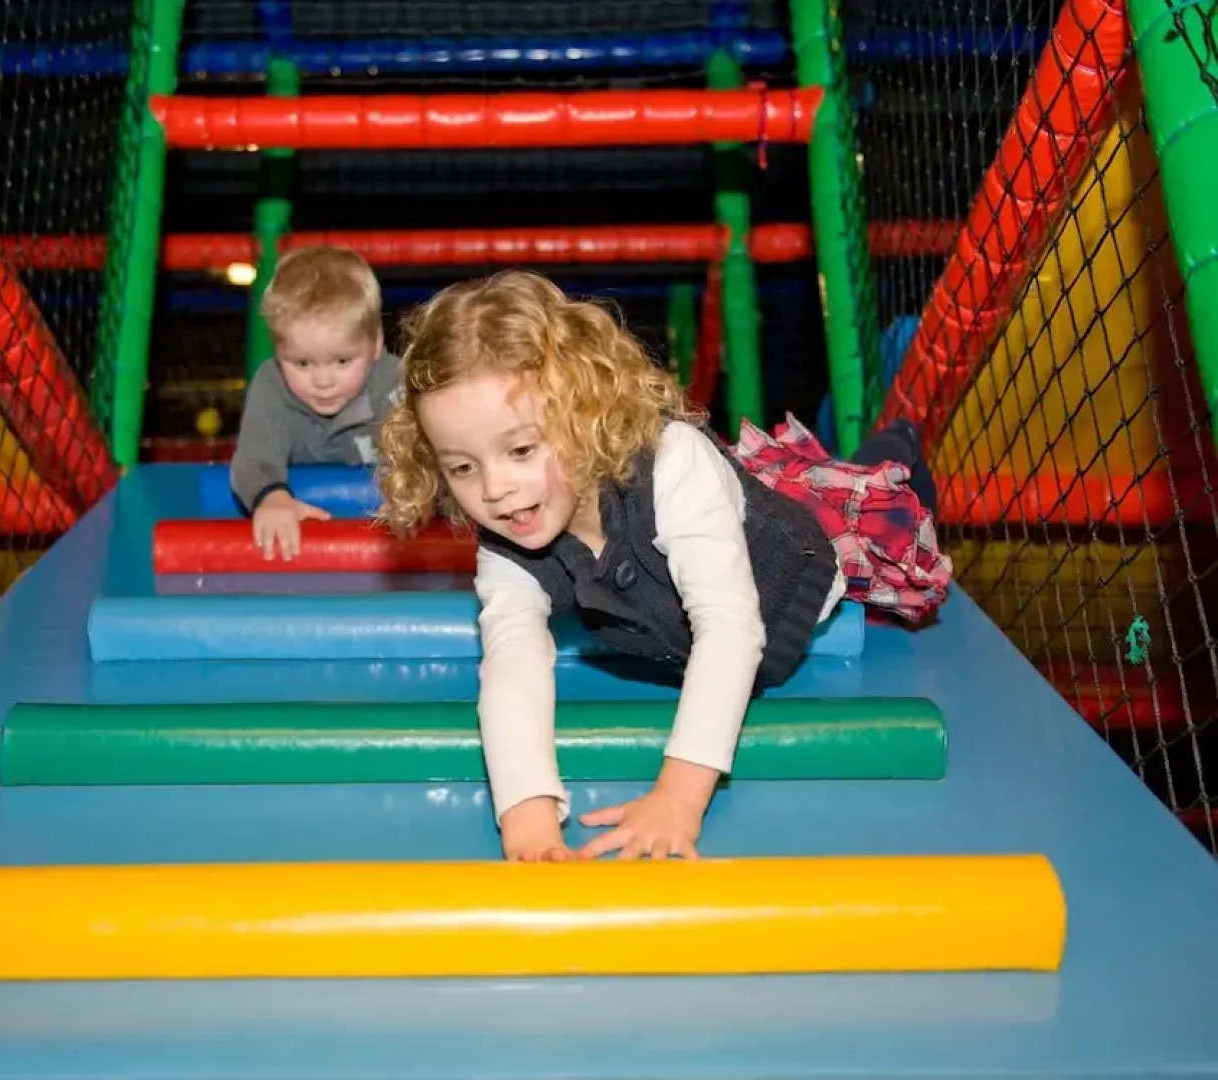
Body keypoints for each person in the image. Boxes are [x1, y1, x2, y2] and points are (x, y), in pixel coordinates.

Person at [376, 270, 951, 862]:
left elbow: (729, 627)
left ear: (584, 411)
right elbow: (512, 665)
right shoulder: (508, 541)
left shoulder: (673, 464)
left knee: (887, 504)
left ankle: (900, 441)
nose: (495, 488)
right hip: (716, 532)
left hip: (798, 566)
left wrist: (678, 796)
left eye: (521, 449)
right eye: (463, 468)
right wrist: (528, 823)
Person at [230, 245, 404, 559]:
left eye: (341, 361)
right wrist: (271, 497)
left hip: (377, 537)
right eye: (302, 364)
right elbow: (253, 459)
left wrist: (412, 490)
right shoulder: (272, 383)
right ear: (279, 351)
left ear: (376, 343)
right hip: (308, 535)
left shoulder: (393, 382)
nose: (323, 381)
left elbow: (425, 449)